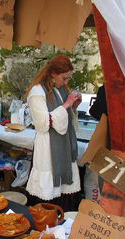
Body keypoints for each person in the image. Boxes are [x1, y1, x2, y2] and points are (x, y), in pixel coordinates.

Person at [25, 54, 82, 211]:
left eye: (68, 78)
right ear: (52, 74)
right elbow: (43, 124)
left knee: (64, 194)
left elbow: (67, 120)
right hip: (47, 149)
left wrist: (73, 106)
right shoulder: (37, 92)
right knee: (48, 194)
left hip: (63, 149)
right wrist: (67, 104)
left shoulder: (60, 90)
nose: (66, 82)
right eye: (64, 78)